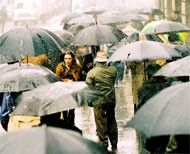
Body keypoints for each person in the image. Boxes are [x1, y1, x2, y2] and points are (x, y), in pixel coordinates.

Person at [85, 50, 118, 154]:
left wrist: (89, 102)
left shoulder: (92, 73)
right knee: (112, 121)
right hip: (110, 100)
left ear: (97, 61)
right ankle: (114, 144)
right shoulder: (113, 70)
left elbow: (88, 87)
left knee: (100, 123)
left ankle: (104, 144)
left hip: (98, 102)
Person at [137, 64, 171, 154]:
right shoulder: (169, 87)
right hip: (165, 124)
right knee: (162, 147)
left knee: (152, 148)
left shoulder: (143, 89)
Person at [56, 51, 82, 125]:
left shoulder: (77, 67)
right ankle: (65, 125)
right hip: (63, 90)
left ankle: (71, 125)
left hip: (73, 90)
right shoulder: (60, 67)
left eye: (69, 58)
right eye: (66, 58)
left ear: (72, 59)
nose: (67, 60)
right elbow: (57, 79)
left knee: (71, 110)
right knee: (64, 110)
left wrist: (73, 77)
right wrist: (65, 80)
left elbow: (78, 78)